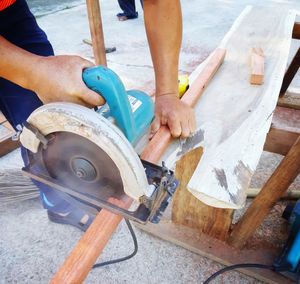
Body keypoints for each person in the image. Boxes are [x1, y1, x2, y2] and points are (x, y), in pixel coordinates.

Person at [0, 0, 195, 231]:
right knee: (32, 121)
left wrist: (168, 93)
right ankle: (59, 204)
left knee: (45, 112)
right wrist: (34, 72)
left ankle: (62, 196)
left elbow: (158, 2)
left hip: (8, 9)